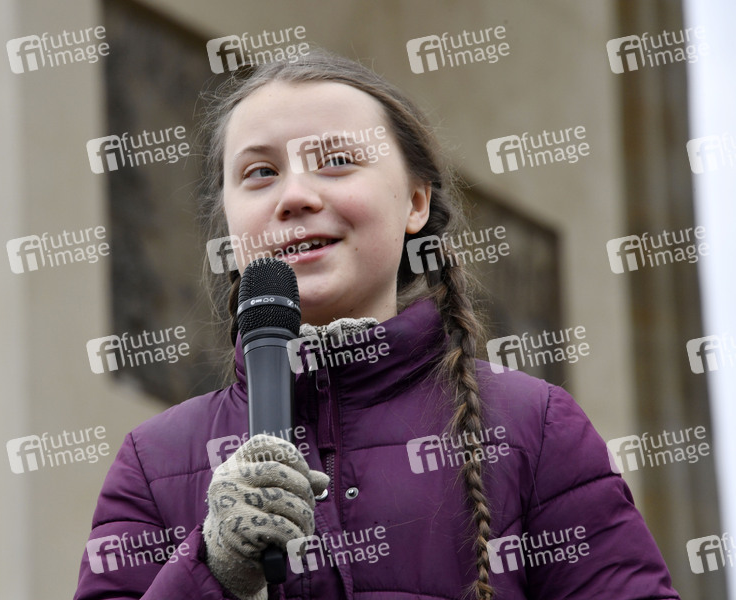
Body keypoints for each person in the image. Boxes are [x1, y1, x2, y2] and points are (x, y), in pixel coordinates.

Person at [73, 49, 680, 600]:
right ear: (229, 223)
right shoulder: (154, 461)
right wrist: (212, 570)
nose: (295, 196)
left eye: (337, 162)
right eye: (259, 173)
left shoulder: (534, 427)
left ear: (416, 202)